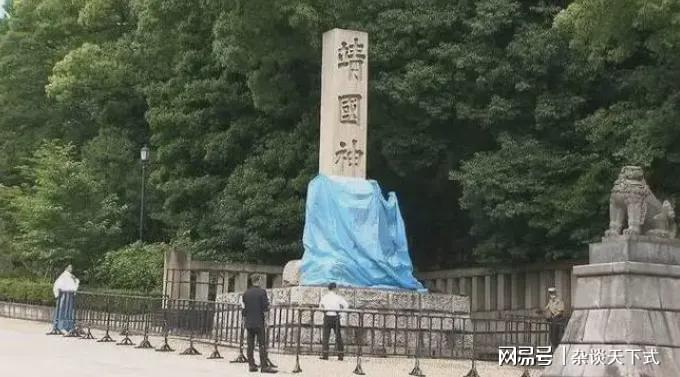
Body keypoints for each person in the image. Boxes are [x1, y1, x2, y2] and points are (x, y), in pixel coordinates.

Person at [240, 277, 277, 373]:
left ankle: (251, 365)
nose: (262, 282)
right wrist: (267, 320)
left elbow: (244, 309)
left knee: (250, 344)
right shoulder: (262, 292)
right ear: (258, 281)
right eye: (261, 280)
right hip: (259, 322)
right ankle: (264, 366)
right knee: (262, 344)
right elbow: (265, 307)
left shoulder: (246, 293)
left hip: (249, 322)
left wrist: (244, 321)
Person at [319, 282, 349, 360]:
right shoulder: (338, 297)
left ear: (328, 288)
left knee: (326, 336)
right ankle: (340, 355)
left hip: (327, 317)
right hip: (336, 317)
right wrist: (341, 313)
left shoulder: (325, 297)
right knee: (338, 336)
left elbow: (320, 306)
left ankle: (325, 354)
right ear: (335, 288)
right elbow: (346, 305)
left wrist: (324, 311)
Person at [51, 265, 80, 334]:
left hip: (68, 295)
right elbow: (59, 285)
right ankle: (61, 326)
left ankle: (67, 326)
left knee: (68, 311)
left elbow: (75, 283)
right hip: (64, 295)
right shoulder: (64, 276)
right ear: (66, 268)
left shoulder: (70, 276)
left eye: (71, 267)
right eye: (70, 267)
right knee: (63, 311)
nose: (71, 268)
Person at [543, 287, 565, 352]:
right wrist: (543, 311)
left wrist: (554, 316)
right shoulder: (550, 301)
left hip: (558, 318)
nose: (551, 295)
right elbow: (546, 308)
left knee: (556, 334)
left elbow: (560, 311)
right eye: (550, 294)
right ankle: (553, 347)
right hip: (552, 319)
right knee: (551, 334)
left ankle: (556, 348)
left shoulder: (559, 301)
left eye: (552, 293)